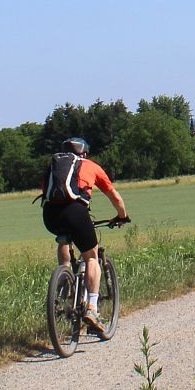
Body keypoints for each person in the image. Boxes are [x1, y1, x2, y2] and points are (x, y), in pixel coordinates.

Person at [41, 137, 130, 333]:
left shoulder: (54, 166)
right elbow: (114, 196)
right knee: (91, 257)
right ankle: (92, 307)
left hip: (50, 215)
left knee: (64, 238)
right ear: (84, 153)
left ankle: (64, 276)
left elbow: (46, 193)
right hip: (76, 211)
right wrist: (122, 216)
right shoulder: (90, 166)